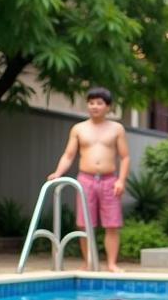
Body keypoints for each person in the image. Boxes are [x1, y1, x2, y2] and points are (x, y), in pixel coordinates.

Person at [47, 86, 129, 273]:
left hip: (109, 180)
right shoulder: (79, 128)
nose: (94, 106)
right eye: (91, 102)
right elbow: (69, 155)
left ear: (108, 106)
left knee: (112, 223)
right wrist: (58, 173)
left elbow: (125, 157)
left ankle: (111, 264)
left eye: (99, 103)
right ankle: (88, 263)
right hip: (85, 179)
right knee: (85, 224)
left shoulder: (117, 128)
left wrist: (121, 180)